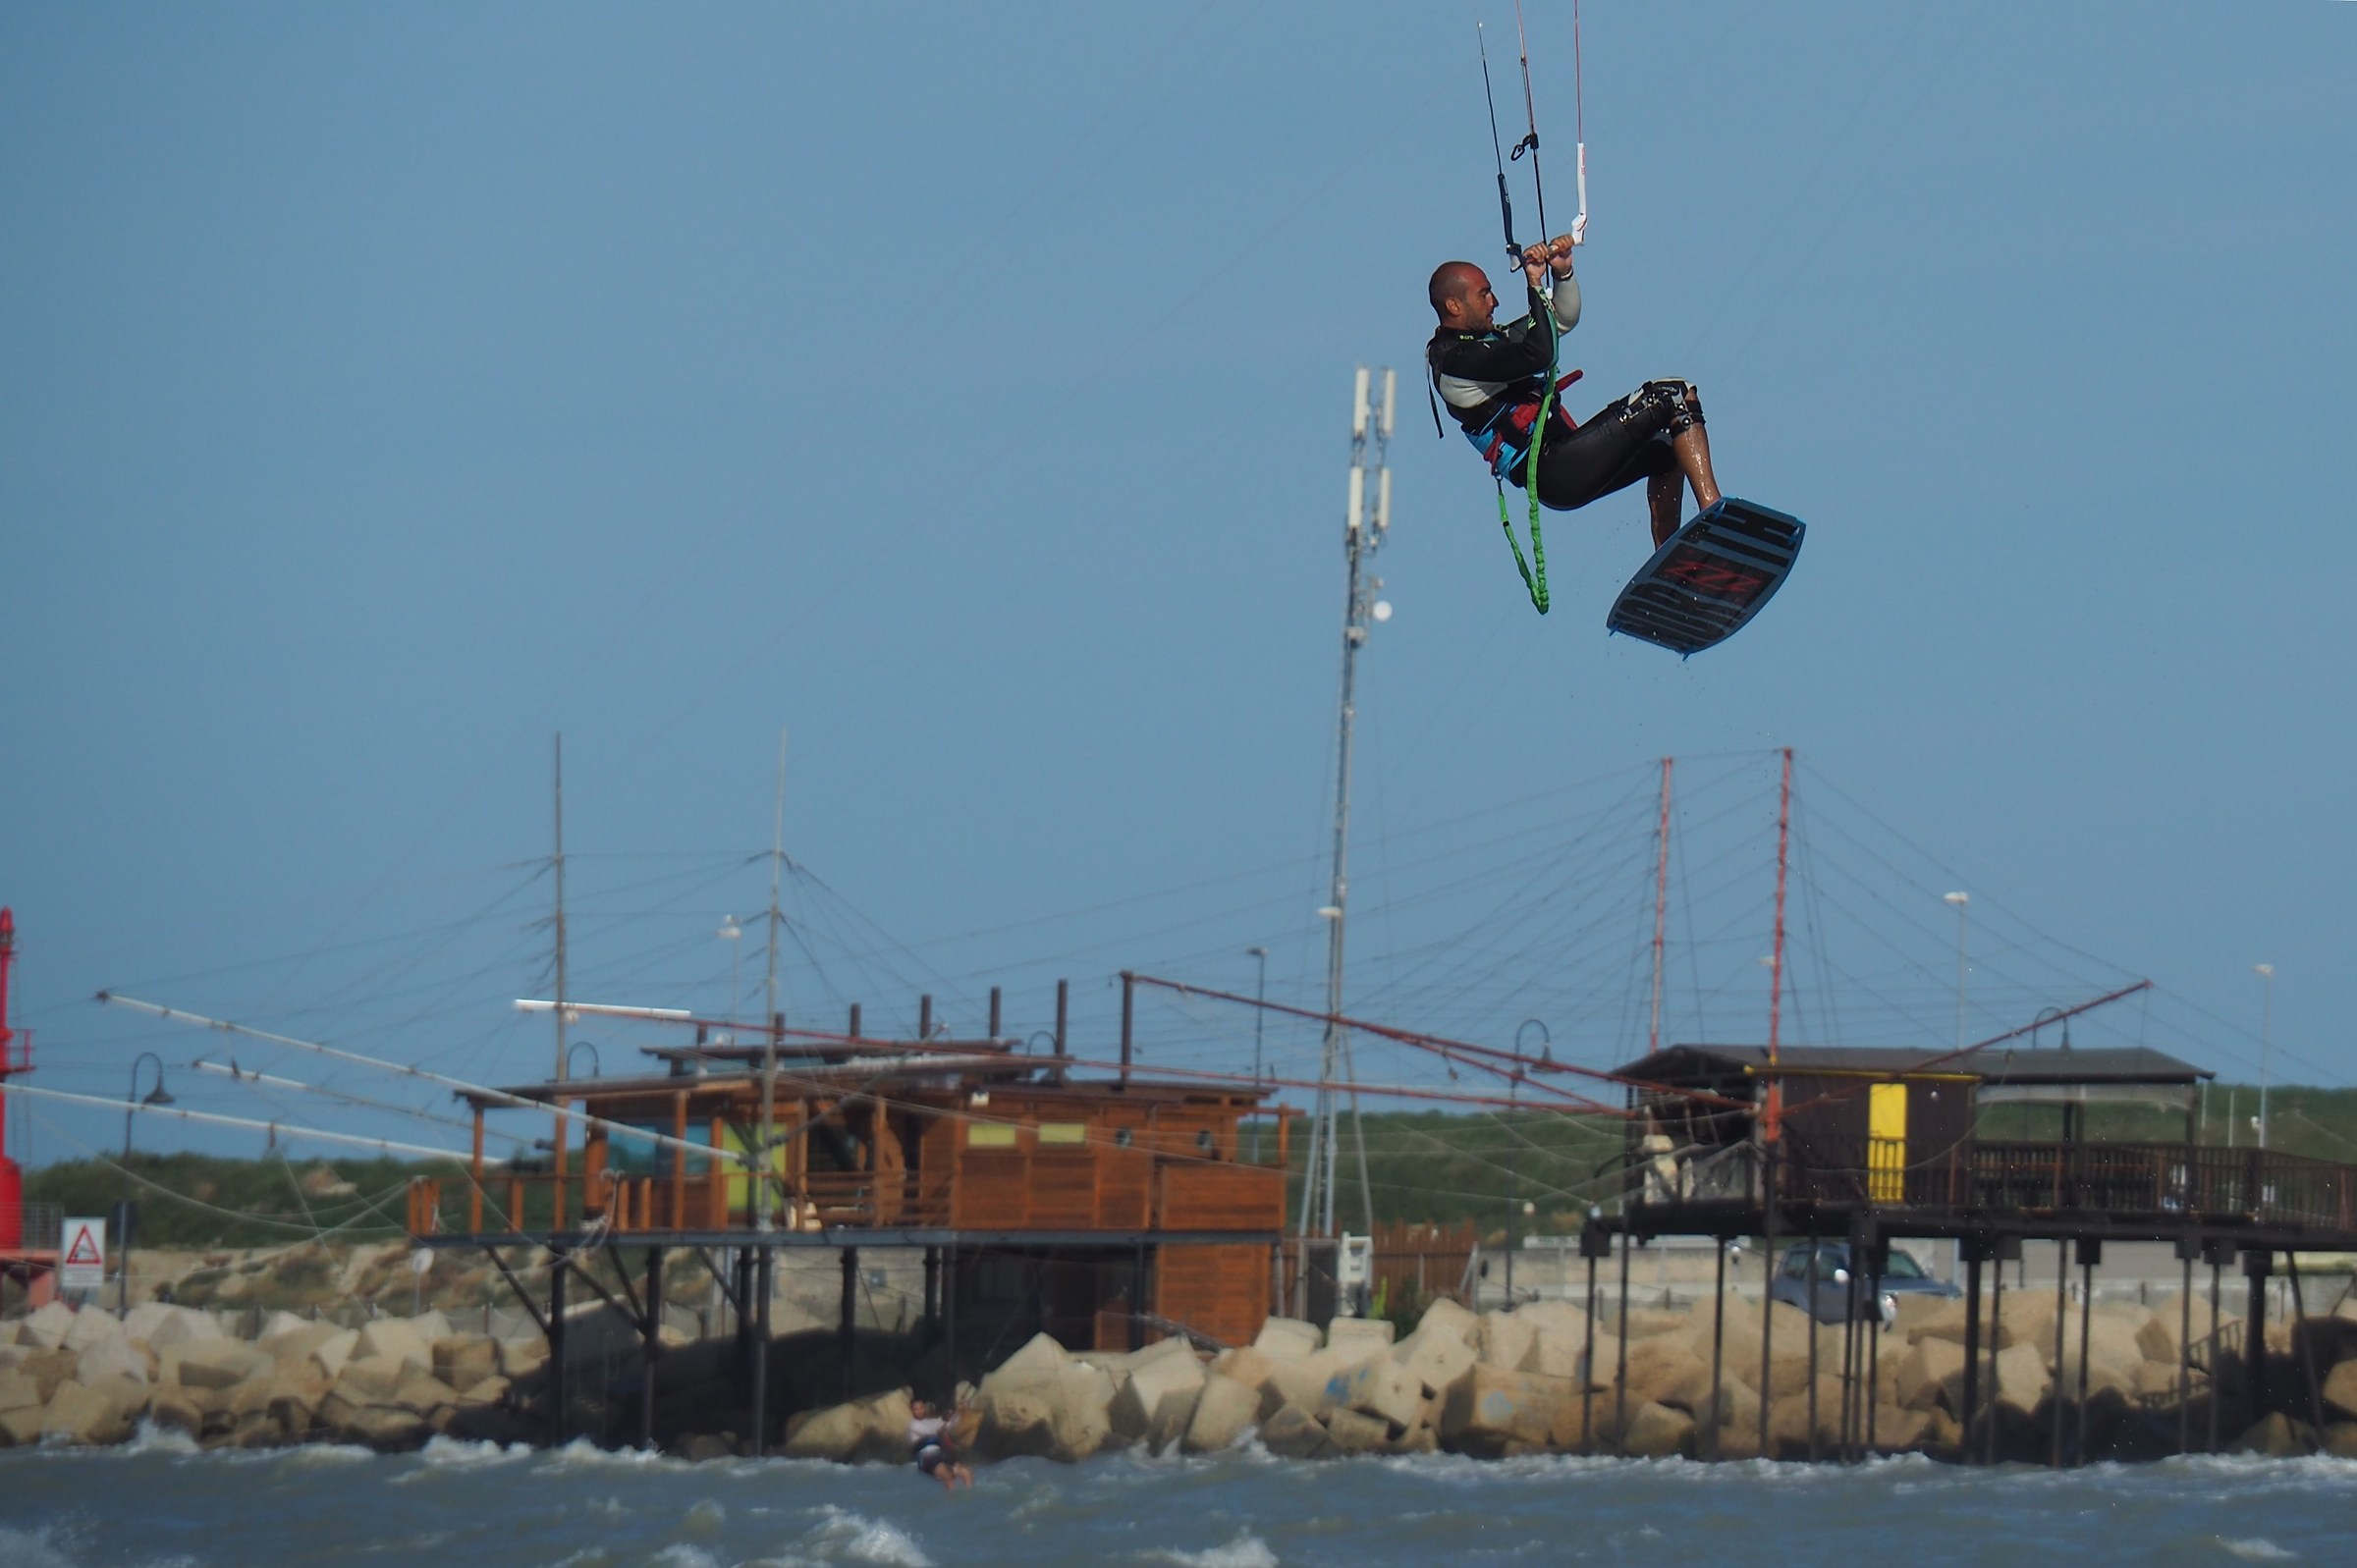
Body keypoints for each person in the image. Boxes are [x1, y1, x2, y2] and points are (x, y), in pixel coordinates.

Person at [1428, 237, 1724, 549]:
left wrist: (1562, 273)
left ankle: (1671, 557)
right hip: (1553, 468)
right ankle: (1715, 514)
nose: (1495, 301)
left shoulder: (1487, 343)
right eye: (1484, 293)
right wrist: (1533, 284)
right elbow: (1540, 355)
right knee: (1672, 394)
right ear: (1454, 305)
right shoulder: (1455, 362)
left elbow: (1562, 319)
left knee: (1670, 450)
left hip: (1568, 461)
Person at [907, 1397, 973, 1491]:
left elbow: (951, 1424)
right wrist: (944, 1419)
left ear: (924, 1408)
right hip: (926, 1458)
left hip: (940, 1454)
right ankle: (952, 1503)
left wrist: (958, 1412)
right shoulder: (912, 1425)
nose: (919, 1411)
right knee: (948, 1476)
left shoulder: (932, 1422)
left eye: (921, 1408)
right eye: (916, 1409)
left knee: (966, 1472)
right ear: (912, 1410)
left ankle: (968, 1498)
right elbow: (930, 1431)